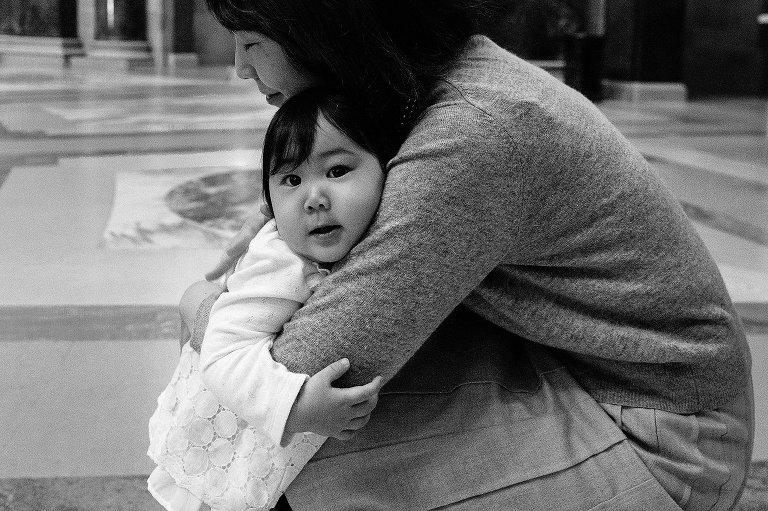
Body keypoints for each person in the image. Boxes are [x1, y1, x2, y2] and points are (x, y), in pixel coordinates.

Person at [187, 1, 755, 510]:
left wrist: (201, 312)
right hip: (573, 360)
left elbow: (308, 359)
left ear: (323, 24)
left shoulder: (474, 130)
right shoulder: (437, 76)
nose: (241, 66)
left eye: (252, 38)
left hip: (665, 438)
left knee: (299, 423)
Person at [148, 88, 387, 511]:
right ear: (271, 203)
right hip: (223, 432)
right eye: (292, 180)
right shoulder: (281, 262)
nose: (315, 197)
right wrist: (295, 407)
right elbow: (223, 355)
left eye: (337, 170)